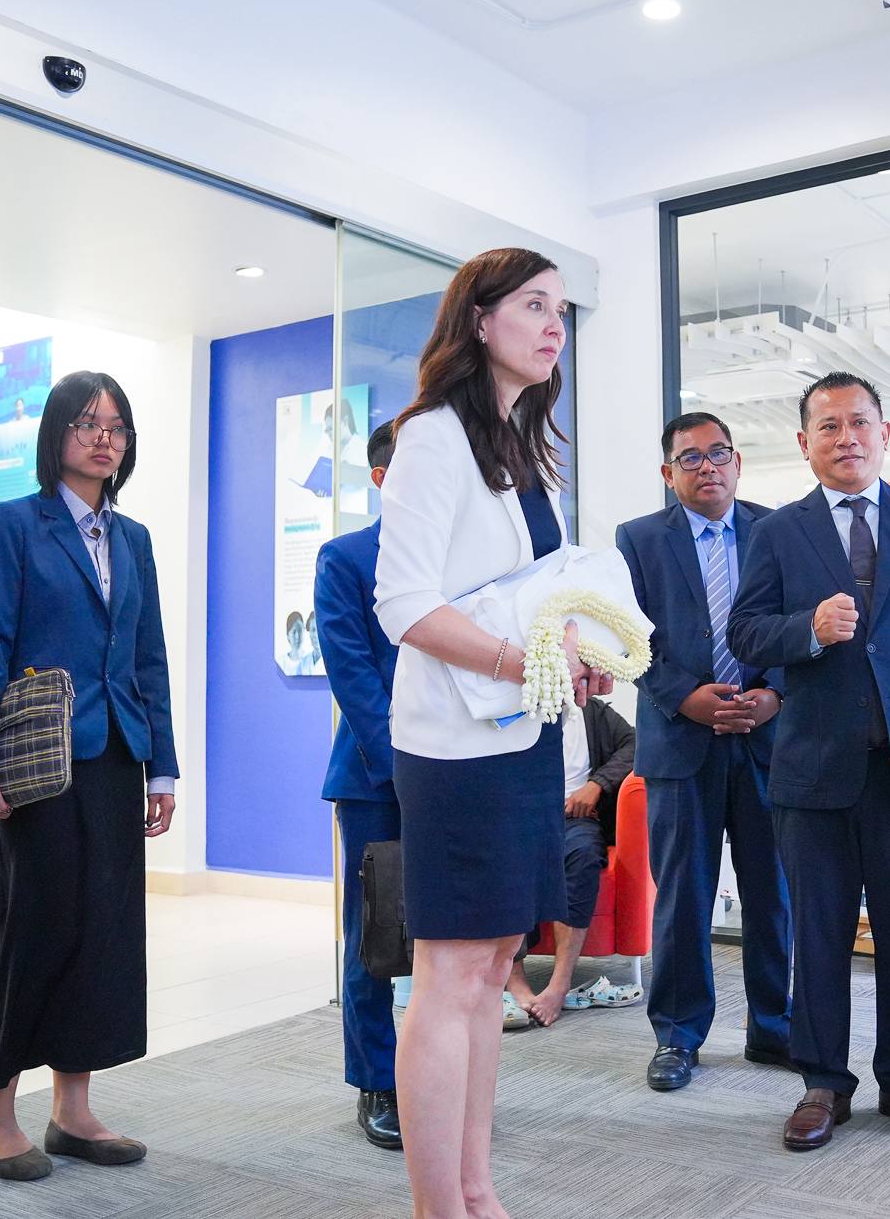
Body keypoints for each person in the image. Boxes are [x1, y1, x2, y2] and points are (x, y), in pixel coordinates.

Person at [374, 247, 607, 1219]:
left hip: (520, 739)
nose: (554, 325)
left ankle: (475, 1189)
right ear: (478, 319)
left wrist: (575, 656)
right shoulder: (433, 435)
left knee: (491, 967)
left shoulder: (519, 447)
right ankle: (440, 1205)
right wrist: (526, 662)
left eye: (561, 309)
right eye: (533, 305)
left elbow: (527, 595)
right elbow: (403, 603)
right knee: (452, 973)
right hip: (454, 745)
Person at [728, 370, 890, 1153]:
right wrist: (807, 629)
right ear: (805, 443)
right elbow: (746, 634)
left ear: (883, 432)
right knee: (819, 932)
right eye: (829, 426)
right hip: (813, 770)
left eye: (860, 422)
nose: (847, 438)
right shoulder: (778, 531)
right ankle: (823, 1083)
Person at [0, 370, 179, 1182]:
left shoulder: (135, 538)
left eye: (116, 426)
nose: (103, 438)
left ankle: (72, 1109)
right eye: (87, 423)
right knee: (36, 931)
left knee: (103, 933)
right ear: (55, 433)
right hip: (40, 762)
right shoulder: (16, 524)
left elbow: (148, 656)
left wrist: (163, 768)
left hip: (117, 755)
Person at [614, 411, 792, 1092]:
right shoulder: (637, 540)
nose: (708, 466)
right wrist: (685, 696)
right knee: (683, 898)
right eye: (691, 458)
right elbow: (626, 637)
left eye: (719, 453)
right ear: (669, 473)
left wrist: (773, 694)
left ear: (738, 462)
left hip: (767, 741)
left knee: (773, 892)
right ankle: (678, 1035)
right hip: (679, 742)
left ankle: (773, 1026)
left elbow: (797, 626)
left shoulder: (777, 530)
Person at [315, 420, 405, 1150]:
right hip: (380, 778)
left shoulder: (461, 559)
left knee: (456, 938)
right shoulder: (345, 558)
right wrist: (408, 764)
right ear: (380, 477)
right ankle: (378, 1078)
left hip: (461, 778)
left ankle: (439, 1076)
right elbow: (353, 673)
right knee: (377, 935)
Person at [505, 696, 638, 1027]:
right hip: (517, 816)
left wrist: (597, 785)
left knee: (583, 856)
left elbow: (635, 743)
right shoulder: (509, 705)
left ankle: (559, 984)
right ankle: (515, 982)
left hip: (574, 818)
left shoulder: (590, 711)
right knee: (507, 860)